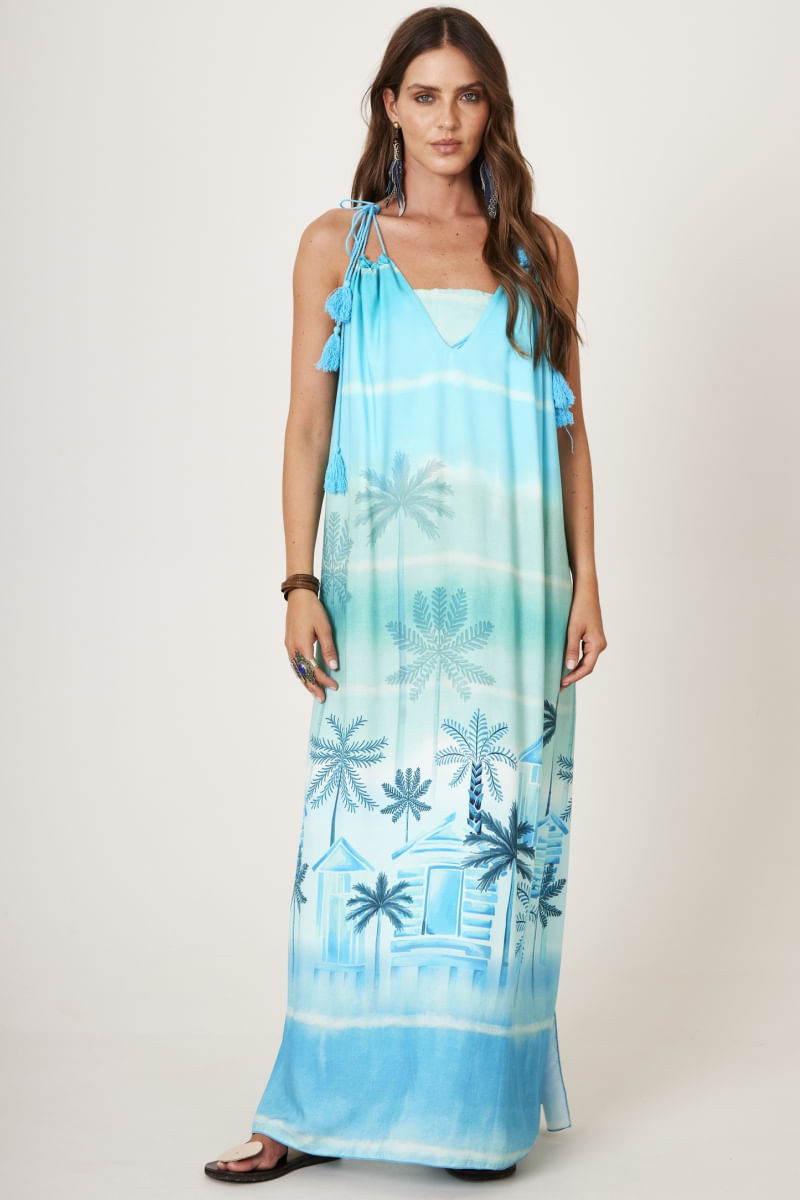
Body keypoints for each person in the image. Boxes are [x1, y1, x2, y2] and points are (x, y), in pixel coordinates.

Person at [205, 4, 606, 1185]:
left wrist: (587, 577)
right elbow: (305, 426)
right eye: (423, 95)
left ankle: (469, 1118)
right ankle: (308, 1108)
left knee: (493, 848)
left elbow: (570, 434)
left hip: (515, 595)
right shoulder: (341, 247)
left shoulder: (539, 252)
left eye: (466, 96)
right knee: (355, 844)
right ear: (389, 106)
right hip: (379, 597)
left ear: (492, 110)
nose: (445, 118)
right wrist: (297, 580)